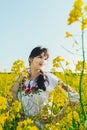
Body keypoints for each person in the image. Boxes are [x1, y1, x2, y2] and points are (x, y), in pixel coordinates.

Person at [11, 46, 79, 129]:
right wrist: (18, 80)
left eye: (46, 59)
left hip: (43, 127)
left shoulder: (50, 78)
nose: (43, 61)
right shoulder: (21, 78)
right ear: (30, 59)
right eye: (40, 57)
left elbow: (75, 97)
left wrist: (55, 119)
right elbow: (10, 98)